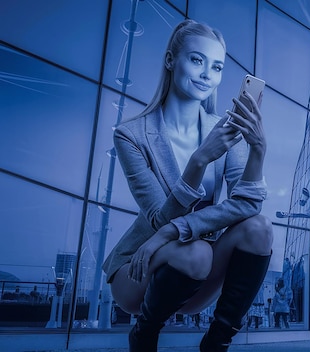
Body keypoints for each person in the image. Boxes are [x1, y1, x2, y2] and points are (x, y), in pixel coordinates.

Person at [101, 19, 272, 352]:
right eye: (197, 60)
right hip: (139, 268)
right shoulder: (131, 134)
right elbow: (158, 220)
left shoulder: (225, 128)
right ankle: (144, 334)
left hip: (201, 269)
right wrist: (199, 160)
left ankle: (217, 343)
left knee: (260, 228)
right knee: (195, 251)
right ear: (170, 61)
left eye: (217, 66)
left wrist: (258, 150)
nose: (207, 74)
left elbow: (248, 203)